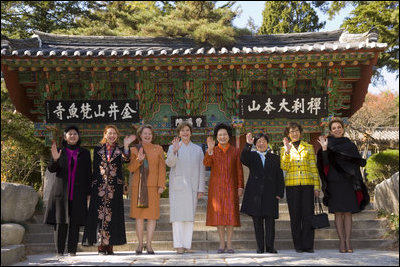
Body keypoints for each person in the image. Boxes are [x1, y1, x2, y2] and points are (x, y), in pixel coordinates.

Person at [316, 118, 369, 253]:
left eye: (339, 127)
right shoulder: (328, 143)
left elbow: (356, 163)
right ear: (331, 131)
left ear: (343, 128)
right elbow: (324, 164)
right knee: (338, 213)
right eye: (334, 128)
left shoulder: (350, 144)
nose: (337, 130)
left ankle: (348, 241)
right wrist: (324, 148)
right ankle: (341, 242)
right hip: (334, 182)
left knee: (348, 212)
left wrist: (355, 179)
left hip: (348, 182)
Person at [82, 125, 135, 255]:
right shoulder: (98, 149)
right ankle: (100, 246)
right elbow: (95, 168)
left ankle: (110, 245)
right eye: (109, 133)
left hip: (114, 188)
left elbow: (126, 159)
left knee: (113, 215)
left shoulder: (121, 149)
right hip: (99, 187)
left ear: (117, 135)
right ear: (105, 135)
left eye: (114, 133)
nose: (112, 136)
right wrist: (92, 186)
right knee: (99, 215)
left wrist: (127, 145)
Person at [44, 125, 92, 256]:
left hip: (78, 193)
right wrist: (54, 159)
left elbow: (89, 174)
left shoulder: (85, 153)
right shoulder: (59, 151)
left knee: (75, 223)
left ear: (78, 136)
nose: (72, 136)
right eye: (69, 134)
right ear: (65, 137)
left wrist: (89, 192)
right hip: (60, 193)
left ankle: (72, 251)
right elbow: (52, 169)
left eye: (75, 133)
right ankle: (59, 251)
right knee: (60, 222)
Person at [240, 132, 284, 254]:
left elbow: (279, 176)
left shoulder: (275, 158)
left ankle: (270, 247)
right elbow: (243, 158)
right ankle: (260, 247)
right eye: (259, 141)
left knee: (270, 221)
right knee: (257, 222)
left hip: (271, 194)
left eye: (264, 141)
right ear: (255, 144)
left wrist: (279, 192)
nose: (261, 143)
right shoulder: (252, 156)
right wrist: (247, 144)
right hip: (255, 195)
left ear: (267, 143)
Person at [166, 121, 206, 254]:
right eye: (182, 130)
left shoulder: (198, 149)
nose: (185, 133)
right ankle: (178, 246)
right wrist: (175, 151)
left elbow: (202, 169)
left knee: (189, 217)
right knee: (177, 217)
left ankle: (187, 245)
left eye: (187, 130)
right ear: (179, 133)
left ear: (191, 133)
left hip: (192, 188)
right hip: (178, 187)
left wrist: (201, 188)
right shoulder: (173, 147)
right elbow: (169, 163)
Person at [280, 122, 321, 253]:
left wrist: (316, 187)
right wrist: (286, 151)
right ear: (288, 134)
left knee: (308, 215)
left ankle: (308, 245)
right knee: (295, 216)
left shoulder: (308, 147)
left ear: (301, 132)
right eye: (291, 131)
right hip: (292, 186)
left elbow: (313, 168)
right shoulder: (284, 149)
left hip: (307, 185)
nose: (294, 133)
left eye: (296, 130)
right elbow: (284, 167)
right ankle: (298, 245)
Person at [204, 123, 244, 254]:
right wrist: (209, 150)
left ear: (229, 136)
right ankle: (222, 244)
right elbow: (206, 163)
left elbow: (239, 170)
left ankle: (230, 244)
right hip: (217, 189)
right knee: (219, 216)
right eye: (220, 135)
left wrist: (240, 186)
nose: (222, 137)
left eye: (224, 134)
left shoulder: (235, 151)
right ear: (217, 137)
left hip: (231, 187)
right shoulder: (213, 150)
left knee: (231, 216)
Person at [128, 124, 166, 255]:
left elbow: (162, 168)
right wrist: (139, 159)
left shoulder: (159, 149)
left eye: (149, 133)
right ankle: (139, 244)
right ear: (140, 135)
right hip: (138, 188)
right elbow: (131, 169)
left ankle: (149, 244)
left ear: (152, 135)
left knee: (152, 217)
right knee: (139, 217)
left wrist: (161, 184)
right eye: (145, 133)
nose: (147, 135)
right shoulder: (134, 149)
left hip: (153, 187)